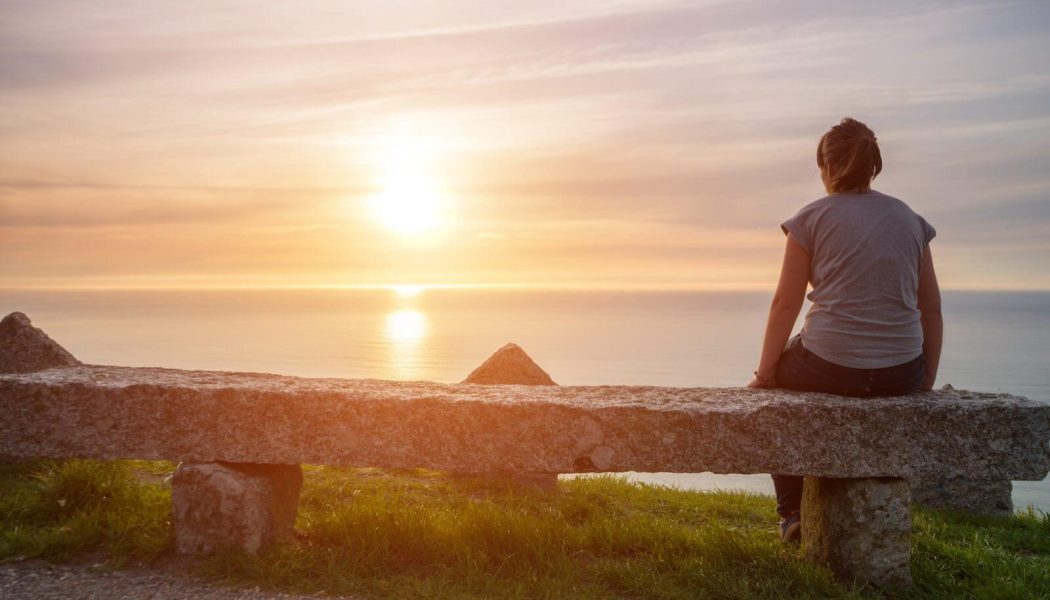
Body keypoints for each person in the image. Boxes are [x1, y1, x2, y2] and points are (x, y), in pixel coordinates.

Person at [746, 117, 943, 543]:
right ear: (875, 166)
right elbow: (930, 307)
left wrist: (765, 376)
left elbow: (785, 303)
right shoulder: (910, 219)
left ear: (825, 166)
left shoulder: (810, 219)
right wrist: (925, 377)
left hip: (826, 367)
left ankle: (791, 512)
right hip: (901, 372)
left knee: (776, 393)